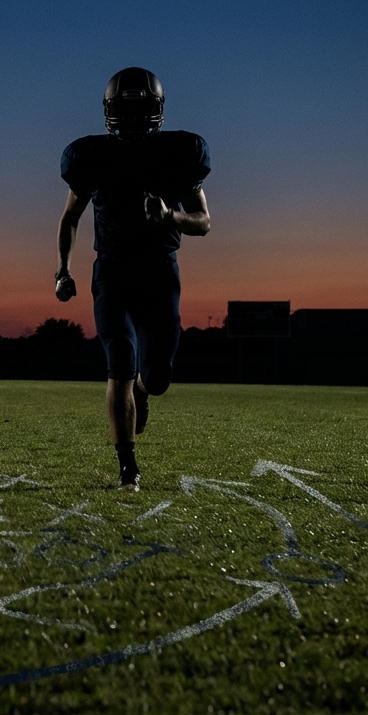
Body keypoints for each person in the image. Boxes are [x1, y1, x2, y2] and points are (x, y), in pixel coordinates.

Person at [55, 67, 211, 491]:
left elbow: (203, 221)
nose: (133, 117)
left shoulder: (177, 154)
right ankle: (128, 468)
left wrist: (169, 216)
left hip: (160, 272)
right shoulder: (94, 156)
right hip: (112, 271)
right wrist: (63, 269)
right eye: (126, 109)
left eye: (140, 108)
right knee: (119, 360)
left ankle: (143, 391)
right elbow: (70, 218)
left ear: (155, 110)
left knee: (157, 376)